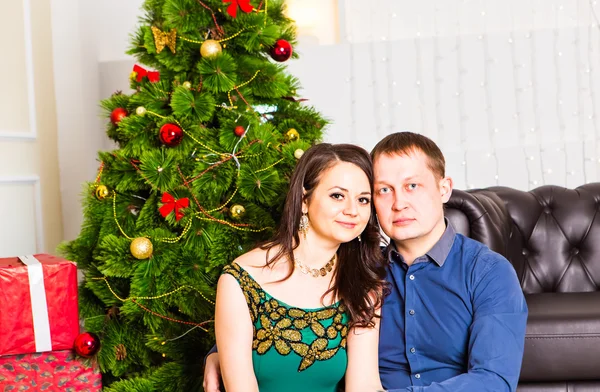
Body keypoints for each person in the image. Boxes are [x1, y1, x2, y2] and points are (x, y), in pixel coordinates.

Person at [206, 132, 528, 392]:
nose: (399, 203)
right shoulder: (363, 272)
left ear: (444, 189)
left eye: (412, 186)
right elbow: (269, 308)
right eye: (383, 191)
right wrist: (220, 350)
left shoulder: (487, 272)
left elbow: (493, 381)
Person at [214, 143, 387, 392]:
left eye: (363, 200)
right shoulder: (240, 280)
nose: (352, 210)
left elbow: (365, 386)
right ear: (305, 200)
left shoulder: (363, 282)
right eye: (337, 195)